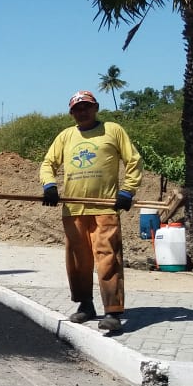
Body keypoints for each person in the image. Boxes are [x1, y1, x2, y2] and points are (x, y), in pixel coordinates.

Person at [39, 90, 143, 332]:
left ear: (95, 108)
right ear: (71, 113)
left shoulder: (113, 130)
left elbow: (133, 160)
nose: (82, 112)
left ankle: (113, 311)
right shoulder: (65, 136)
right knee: (78, 261)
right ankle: (86, 305)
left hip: (105, 207)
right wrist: (49, 185)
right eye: (77, 109)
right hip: (73, 210)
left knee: (108, 258)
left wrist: (127, 191)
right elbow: (48, 163)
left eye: (86, 107)